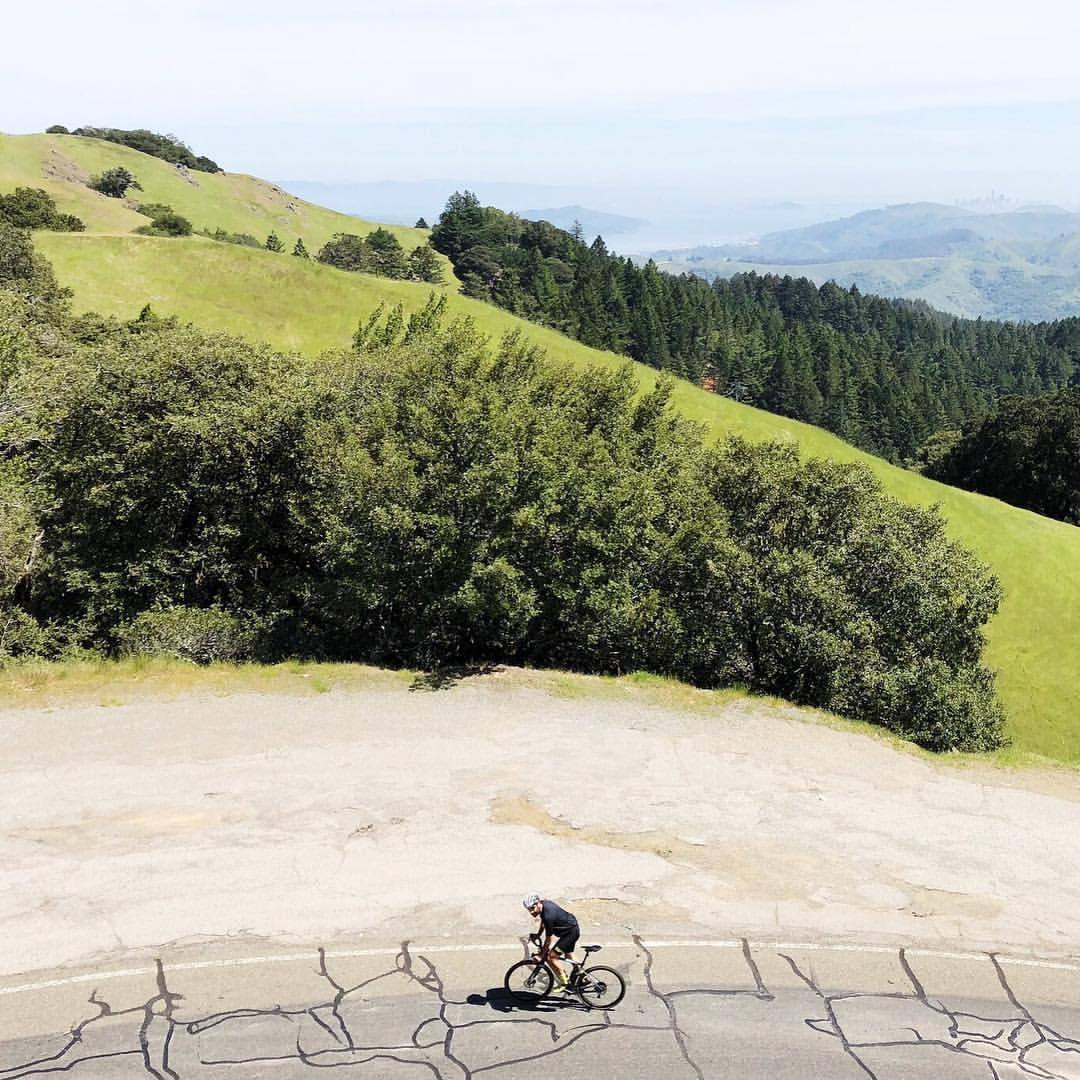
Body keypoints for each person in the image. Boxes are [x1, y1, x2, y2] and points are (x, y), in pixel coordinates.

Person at [522, 893, 579, 991]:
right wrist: (538, 934)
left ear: (538, 903)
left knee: (551, 957)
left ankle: (564, 982)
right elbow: (543, 922)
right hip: (571, 929)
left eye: (532, 908)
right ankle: (583, 976)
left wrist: (541, 955)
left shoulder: (548, 915)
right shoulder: (544, 906)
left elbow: (549, 939)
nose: (531, 912)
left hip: (569, 934)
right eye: (529, 910)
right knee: (569, 956)